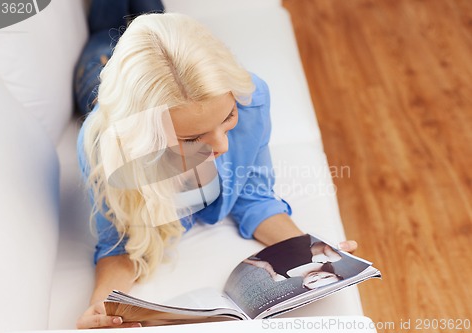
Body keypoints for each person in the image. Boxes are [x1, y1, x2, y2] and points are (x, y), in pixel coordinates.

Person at [75, 12, 358, 329]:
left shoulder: (251, 97)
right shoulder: (104, 147)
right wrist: (102, 308)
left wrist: (310, 251)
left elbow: (254, 197)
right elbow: (117, 245)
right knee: (105, 26)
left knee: (143, 9)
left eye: (228, 118)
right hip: (96, 69)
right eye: (192, 138)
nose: (222, 146)